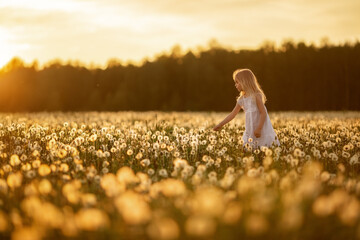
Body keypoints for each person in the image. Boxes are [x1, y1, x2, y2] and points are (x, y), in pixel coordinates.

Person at [213, 68, 280, 149]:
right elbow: (233, 114)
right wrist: (220, 124)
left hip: (261, 128)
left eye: (237, 82)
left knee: (264, 148)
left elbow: (263, 112)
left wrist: (259, 128)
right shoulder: (241, 100)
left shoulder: (256, 96)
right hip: (250, 129)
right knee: (248, 148)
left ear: (244, 82)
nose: (235, 85)